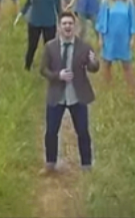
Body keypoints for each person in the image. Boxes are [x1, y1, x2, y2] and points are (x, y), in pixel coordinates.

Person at [40, 11, 99, 172]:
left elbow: (93, 69)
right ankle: (50, 163)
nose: (67, 26)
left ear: (75, 26)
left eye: (70, 24)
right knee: (51, 131)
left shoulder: (84, 46)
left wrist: (94, 62)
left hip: (77, 94)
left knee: (83, 132)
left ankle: (86, 165)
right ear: (59, 27)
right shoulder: (50, 46)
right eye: (64, 24)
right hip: (56, 94)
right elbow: (43, 69)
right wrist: (57, 75)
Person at [95, 0, 135, 90]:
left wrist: (132, 38)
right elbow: (101, 21)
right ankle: (107, 88)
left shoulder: (129, 2)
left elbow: (133, 21)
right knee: (107, 64)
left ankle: (132, 90)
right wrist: (100, 38)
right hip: (109, 37)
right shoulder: (106, 2)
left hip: (124, 38)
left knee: (127, 65)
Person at [20, 0, 64, 71]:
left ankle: (50, 68)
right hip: (34, 21)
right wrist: (21, 13)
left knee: (49, 47)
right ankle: (27, 67)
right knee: (32, 45)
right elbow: (28, 3)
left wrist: (61, 21)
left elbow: (58, 6)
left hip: (49, 22)